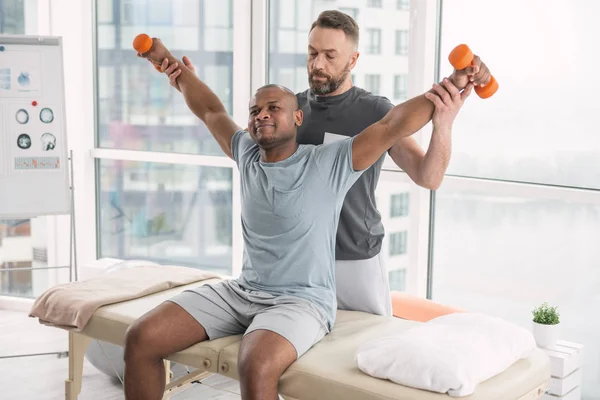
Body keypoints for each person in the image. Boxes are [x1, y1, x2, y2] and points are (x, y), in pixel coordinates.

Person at [126, 37, 472, 400]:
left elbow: (391, 126)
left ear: (297, 117)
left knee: (255, 364)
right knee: (141, 337)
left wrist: (454, 83)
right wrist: (171, 66)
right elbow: (211, 110)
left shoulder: (329, 163)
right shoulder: (246, 153)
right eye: (255, 109)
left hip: (302, 301)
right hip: (242, 290)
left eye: (273, 107)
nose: (261, 114)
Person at [162, 10, 491, 316]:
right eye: (312, 53)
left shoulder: (375, 112)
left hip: (353, 258)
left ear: (353, 59)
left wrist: (443, 125)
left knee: (361, 359)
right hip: (291, 264)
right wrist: (187, 83)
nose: (317, 64)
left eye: (330, 56)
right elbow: (221, 121)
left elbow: (428, 176)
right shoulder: (288, 113)